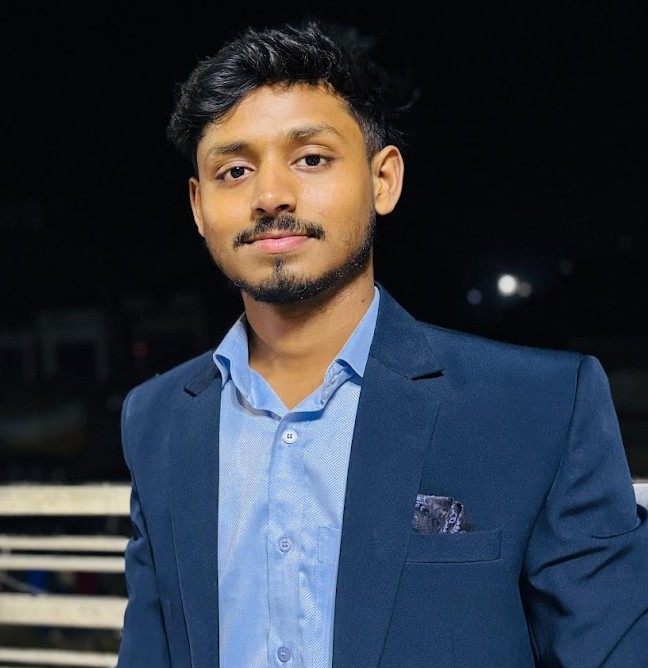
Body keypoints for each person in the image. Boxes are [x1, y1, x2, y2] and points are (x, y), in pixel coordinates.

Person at [116, 16, 648, 668]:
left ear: (383, 179)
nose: (271, 195)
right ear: (199, 207)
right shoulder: (157, 419)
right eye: (234, 170)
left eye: (311, 158)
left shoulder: (540, 407)